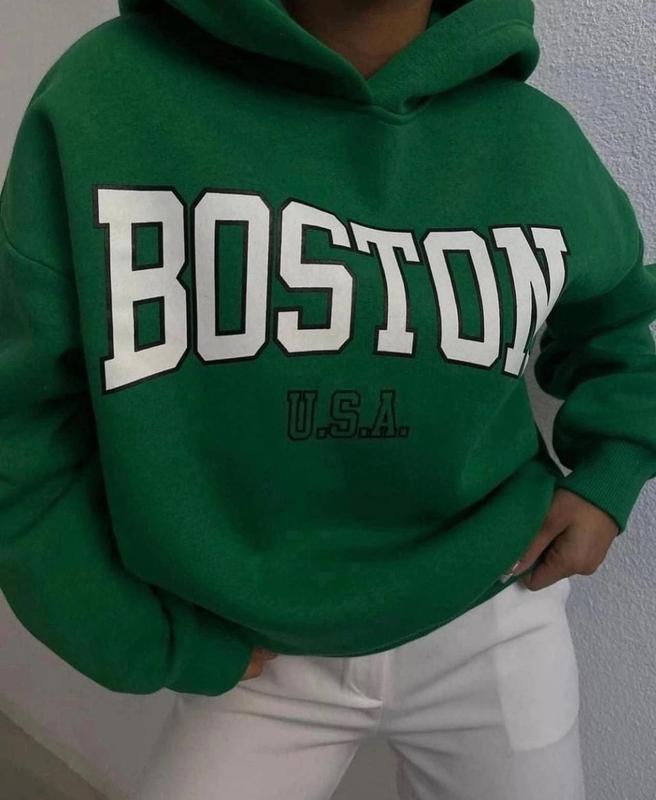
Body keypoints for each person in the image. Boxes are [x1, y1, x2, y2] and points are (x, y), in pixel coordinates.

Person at [1, 0, 655, 797]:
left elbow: (617, 322)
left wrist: (613, 472)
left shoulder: (534, 139)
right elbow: (19, 418)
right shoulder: (107, 99)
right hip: (253, 641)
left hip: (493, 608)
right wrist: (134, 631)